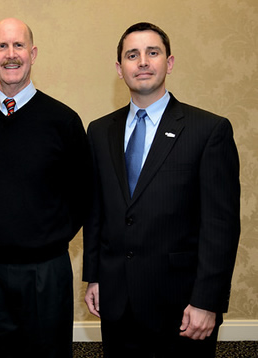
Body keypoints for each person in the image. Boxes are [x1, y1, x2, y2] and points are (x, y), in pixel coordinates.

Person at [83, 22, 241, 357]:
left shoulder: (208, 131)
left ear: (169, 63)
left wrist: (206, 301)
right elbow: (97, 212)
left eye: (152, 53)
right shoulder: (99, 132)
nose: (142, 62)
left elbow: (221, 226)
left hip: (181, 307)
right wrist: (94, 277)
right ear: (119, 68)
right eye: (132, 55)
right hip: (117, 302)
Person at [0, 18, 90, 358]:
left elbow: (83, 194)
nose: (11, 54)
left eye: (18, 46)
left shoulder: (64, 120)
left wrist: (48, 235)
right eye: (2, 46)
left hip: (47, 270)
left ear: (32, 54)